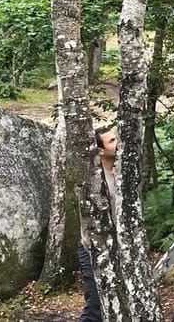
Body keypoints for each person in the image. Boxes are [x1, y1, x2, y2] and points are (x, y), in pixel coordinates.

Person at [78, 125, 117, 322]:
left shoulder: (119, 177)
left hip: (116, 248)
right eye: (112, 141)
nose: (117, 143)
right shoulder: (93, 181)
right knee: (95, 307)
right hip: (93, 249)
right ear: (100, 150)